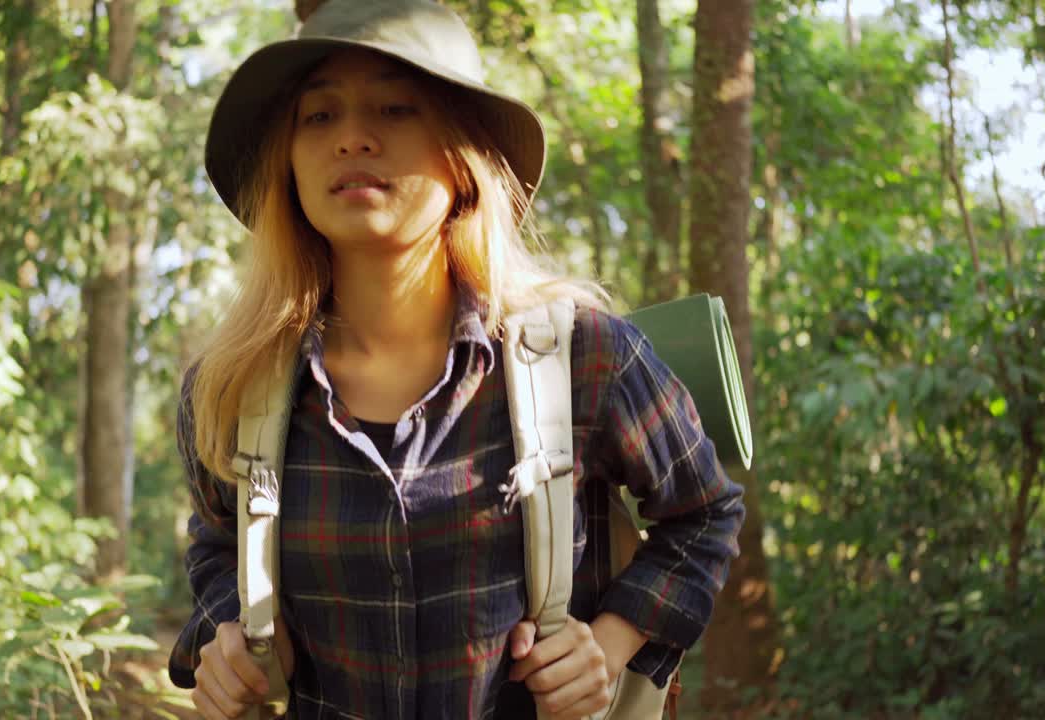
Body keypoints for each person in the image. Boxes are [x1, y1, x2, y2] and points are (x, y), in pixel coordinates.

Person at [167, 1, 746, 718]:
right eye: (318, 117)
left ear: (463, 157)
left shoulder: (582, 359)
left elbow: (705, 512)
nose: (351, 137)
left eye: (395, 108)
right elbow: (216, 543)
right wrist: (235, 636)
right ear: (287, 163)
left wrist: (612, 641)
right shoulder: (229, 391)